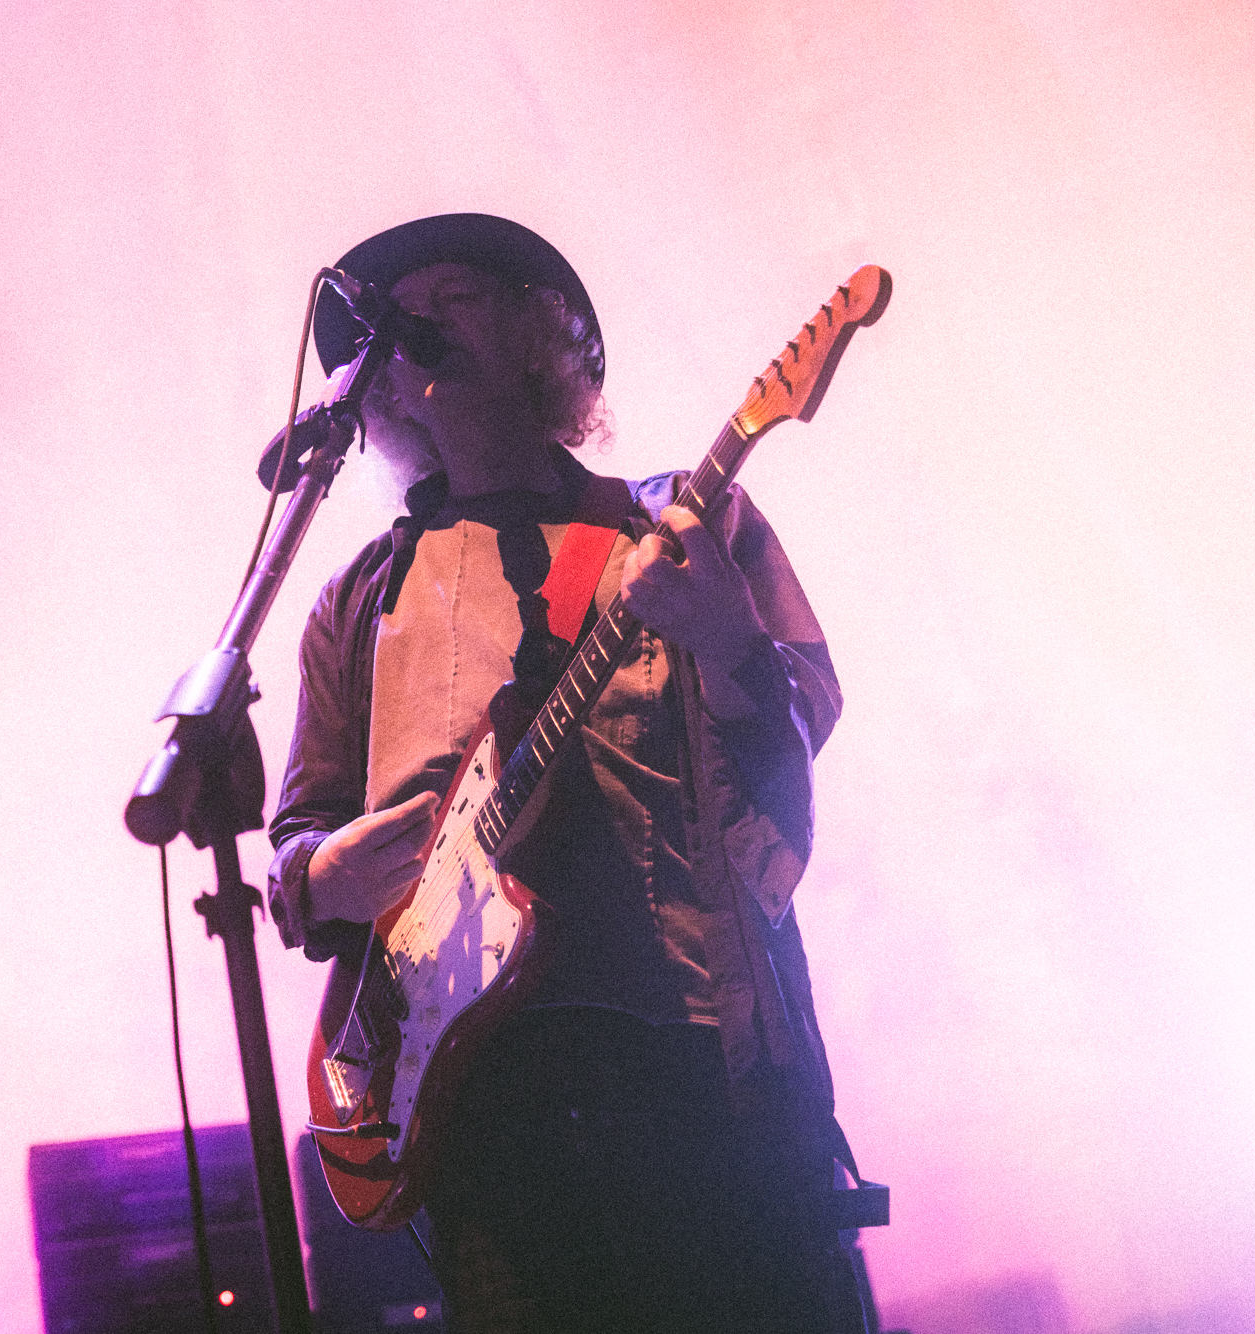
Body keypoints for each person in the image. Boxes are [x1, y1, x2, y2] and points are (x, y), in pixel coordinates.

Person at [266, 215, 867, 1333]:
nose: (421, 323)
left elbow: (804, 713)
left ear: (542, 336)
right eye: (400, 318)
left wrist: (728, 639)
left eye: (456, 297)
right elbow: (299, 833)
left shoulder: (678, 520)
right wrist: (322, 874)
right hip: (486, 1110)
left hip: (698, 1071)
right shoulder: (359, 598)